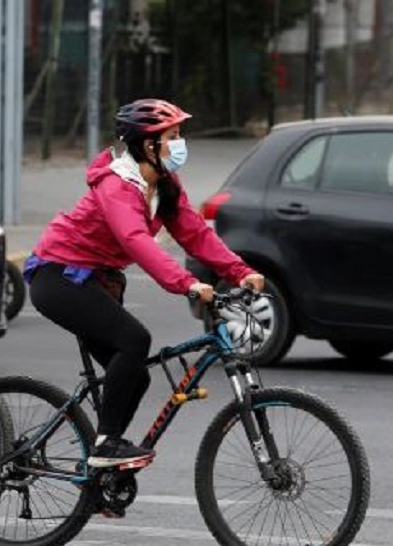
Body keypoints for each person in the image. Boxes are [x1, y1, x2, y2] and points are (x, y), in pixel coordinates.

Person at [25, 98, 265, 470]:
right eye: (172, 136)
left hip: (99, 280)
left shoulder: (164, 185)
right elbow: (135, 239)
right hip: (58, 277)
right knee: (134, 341)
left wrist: (239, 270)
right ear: (147, 145)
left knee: (136, 375)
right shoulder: (117, 185)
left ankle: (105, 468)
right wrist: (185, 283)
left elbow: (195, 233)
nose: (180, 143)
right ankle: (106, 446)